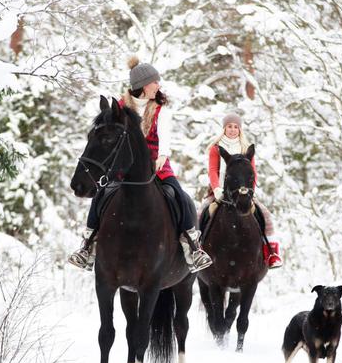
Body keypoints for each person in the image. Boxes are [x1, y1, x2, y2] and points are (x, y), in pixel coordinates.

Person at [67, 56, 213, 273]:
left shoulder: (161, 110)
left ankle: (193, 248)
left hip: (157, 164)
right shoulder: (121, 107)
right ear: (144, 85)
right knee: (101, 195)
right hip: (125, 166)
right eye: (155, 82)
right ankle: (87, 246)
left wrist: (162, 155)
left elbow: (165, 137)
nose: (158, 86)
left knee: (180, 196)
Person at [201, 113, 283, 269]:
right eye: (229, 126)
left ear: (240, 129)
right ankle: (197, 250)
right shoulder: (216, 148)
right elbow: (212, 170)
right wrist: (217, 189)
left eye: (236, 127)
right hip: (220, 192)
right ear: (224, 128)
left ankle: (272, 253)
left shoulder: (246, 148)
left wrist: (250, 191)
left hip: (244, 192)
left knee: (266, 214)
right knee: (201, 212)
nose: (232, 130)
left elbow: (253, 172)